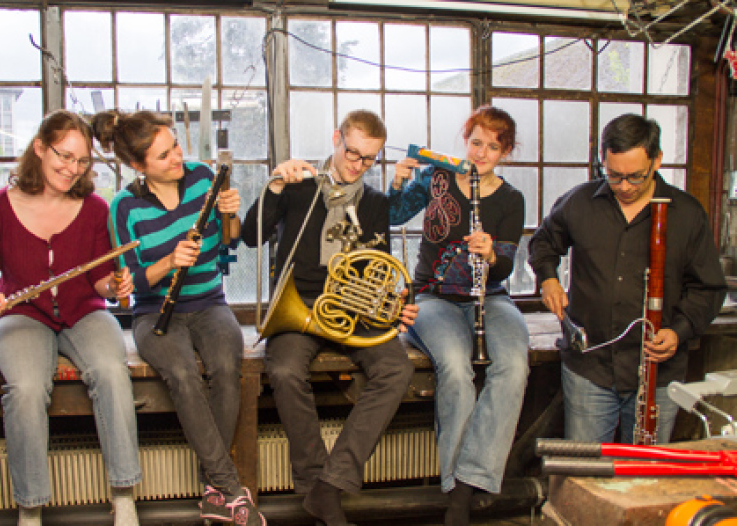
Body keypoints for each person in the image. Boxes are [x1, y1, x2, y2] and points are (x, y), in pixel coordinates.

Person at [0, 110, 142, 526]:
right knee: (25, 388)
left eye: (82, 161)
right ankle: (30, 508)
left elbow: (100, 280)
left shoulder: (95, 208)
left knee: (111, 372)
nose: (72, 169)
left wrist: (114, 285)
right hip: (22, 317)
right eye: (64, 156)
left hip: (85, 313)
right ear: (40, 148)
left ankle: (124, 496)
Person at [240, 109, 417, 526]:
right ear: (337, 139)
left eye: (369, 159)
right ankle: (314, 483)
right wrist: (275, 184)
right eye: (352, 153)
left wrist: (395, 304)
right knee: (284, 370)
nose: (358, 165)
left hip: (353, 309)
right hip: (298, 304)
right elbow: (250, 236)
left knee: (396, 368)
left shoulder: (375, 203)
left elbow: (380, 267)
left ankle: (329, 486)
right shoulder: (298, 186)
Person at [92, 110, 265, 526]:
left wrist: (231, 213)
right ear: (139, 166)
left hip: (210, 302)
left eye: (175, 146)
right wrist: (169, 262)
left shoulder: (204, 178)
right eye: (164, 155)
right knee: (184, 375)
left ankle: (214, 489)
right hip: (155, 312)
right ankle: (228, 487)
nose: (177, 158)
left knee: (227, 368)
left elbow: (230, 241)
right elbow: (128, 283)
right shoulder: (123, 207)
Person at [528, 113, 727, 444]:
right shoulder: (579, 202)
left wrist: (677, 332)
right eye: (614, 176)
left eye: (635, 177)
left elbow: (708, 289)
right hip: (590, 368)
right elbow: (543, 243)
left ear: (657, 160)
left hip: (658, 374)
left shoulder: (688, 214)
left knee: (644, 471)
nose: (624, 187)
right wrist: (548, 279)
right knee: (585, 469)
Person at [389, 106, 530, 526]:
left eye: (493, 147)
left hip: (491, 297)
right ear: (465, 141)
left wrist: (491, 254)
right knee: (454, 366)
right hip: (433, 298)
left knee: (514, 366)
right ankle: (459, 494)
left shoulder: (511, 199)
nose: (481, 153)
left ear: (506, 152)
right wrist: (398, 181)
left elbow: (505, 267)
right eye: (476, 142)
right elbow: (392, 215)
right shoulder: (438, 178)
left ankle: (467, 481)